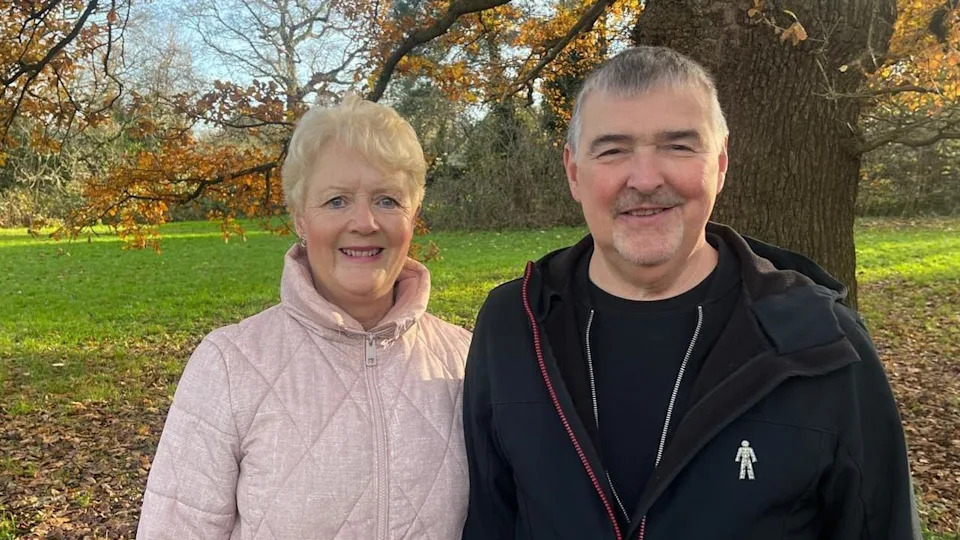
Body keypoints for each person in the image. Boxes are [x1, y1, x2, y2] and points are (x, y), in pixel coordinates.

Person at [462, 46, 920, 540]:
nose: (644, 179)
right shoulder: (513, 324)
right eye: (613, 150)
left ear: (720, 164)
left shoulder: (821, 344)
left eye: (678, 146)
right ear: (574, 171)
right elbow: (490, 518)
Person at [138, 95, 471, 539]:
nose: (365, 221)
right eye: (336, 201)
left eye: (388, 200)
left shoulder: (467, 360)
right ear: (299, 217)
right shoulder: (230, 366)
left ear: (414, 216)